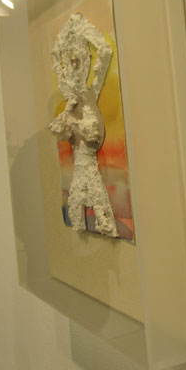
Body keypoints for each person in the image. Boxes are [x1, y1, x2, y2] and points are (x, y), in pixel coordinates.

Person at [49, 12, 119, 237]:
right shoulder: (72, 100)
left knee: (87, 202)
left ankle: (99, 223)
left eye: (76, 62)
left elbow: (105, 51)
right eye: (67, 63)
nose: (71, 69)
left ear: (85, 60)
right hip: (82, 161)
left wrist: (80, 29)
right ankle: (91, 223)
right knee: (78, 204)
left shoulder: (88, 96)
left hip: (87, 160)